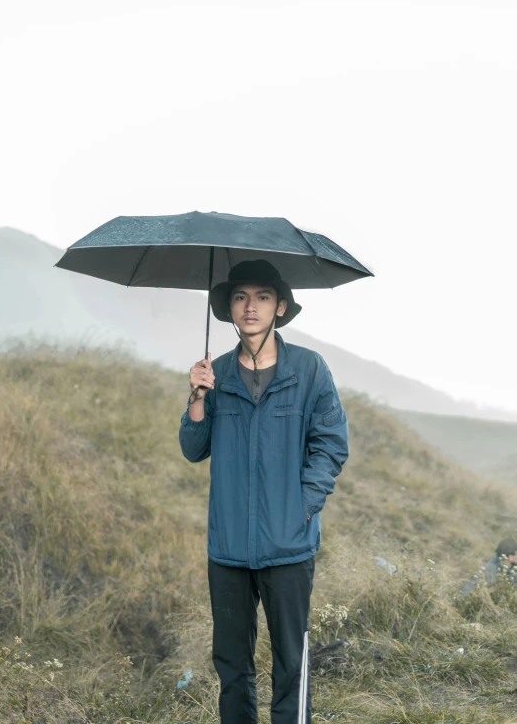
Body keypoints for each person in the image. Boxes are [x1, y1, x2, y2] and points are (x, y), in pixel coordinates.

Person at [179, 259, 349, 724]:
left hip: (289, 544)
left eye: (261, 297)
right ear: (228, 309)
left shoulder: (309, 370)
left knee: (291, 662)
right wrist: (197, 396)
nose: (250, 307)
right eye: (239, 297)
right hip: (229, 547)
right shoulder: (215, 375)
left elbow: (331, 444)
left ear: (281, 307)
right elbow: (194, 449)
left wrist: (304, 506)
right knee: (231, 663)